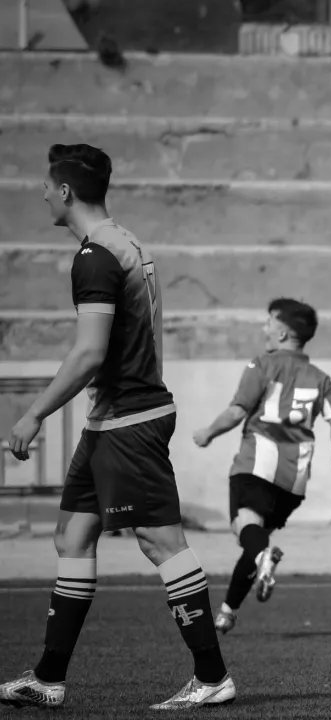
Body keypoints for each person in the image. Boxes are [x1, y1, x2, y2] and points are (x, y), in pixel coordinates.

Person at [0, 144, 234, 710]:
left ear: (64, 192)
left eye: (46, 185)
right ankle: (49, 677)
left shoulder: (94, 257)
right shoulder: (125, 241)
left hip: (130, 418)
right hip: (112, 420)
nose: (41, 193)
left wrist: (32, 414)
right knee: (72, 537)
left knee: (160, 543)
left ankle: (211, 676)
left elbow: (88, 354)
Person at [192, 298, 331, 635]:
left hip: (257, 464)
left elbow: (237, 412)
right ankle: (227, 611)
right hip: (294, 478)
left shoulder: (261, 365)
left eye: (268, 322)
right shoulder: (321, 379)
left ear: (282, 333)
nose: (264, 328)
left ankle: (262, 559)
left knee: (246, 529)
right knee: (255, 539)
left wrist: (208, 432)